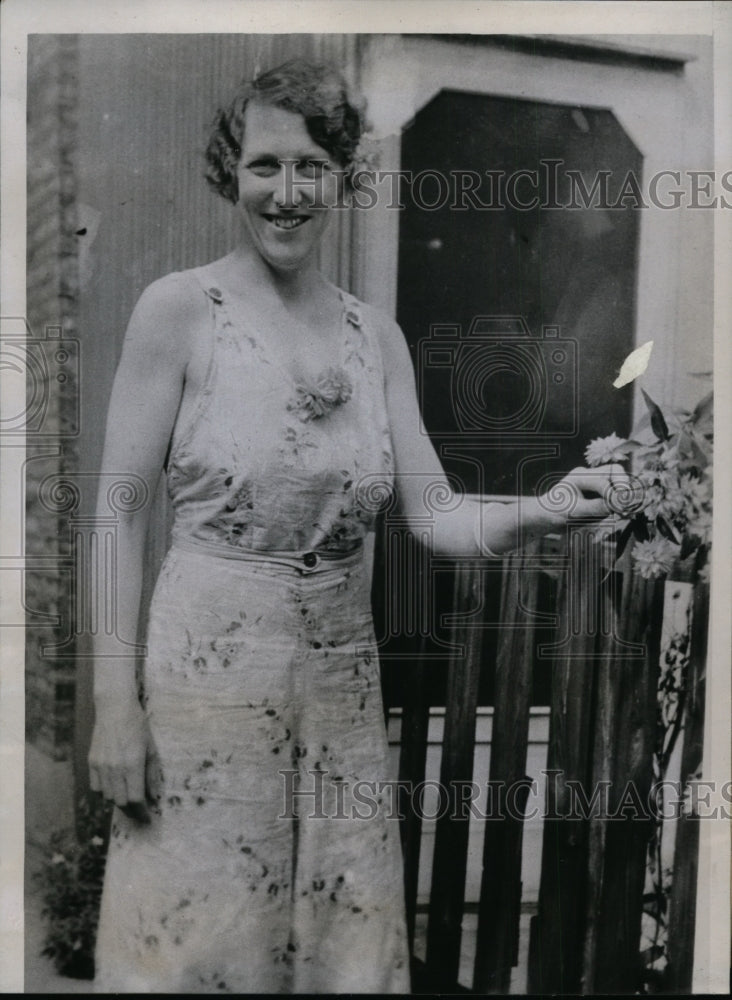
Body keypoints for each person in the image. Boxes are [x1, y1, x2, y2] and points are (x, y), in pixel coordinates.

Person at [88, 59, 625, 993]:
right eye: (265, 166)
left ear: (342, 176)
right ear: (232, 171)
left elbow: (436, 514)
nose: (286, 194)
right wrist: (114, 708)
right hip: (204, 683)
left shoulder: (373, 337)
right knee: (202, 938)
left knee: (335, 943)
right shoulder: (179, 311)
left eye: (310, 168)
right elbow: (116, 516)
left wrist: (543, 509)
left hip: (339, 685)